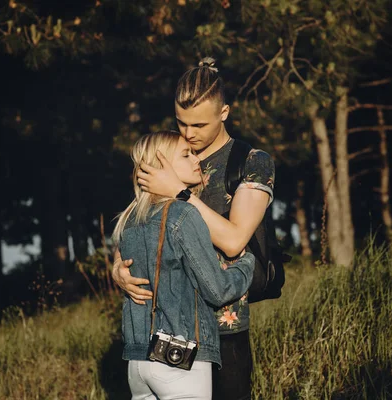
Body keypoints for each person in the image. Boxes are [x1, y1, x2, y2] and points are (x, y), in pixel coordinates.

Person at [113, 58, 275, 400]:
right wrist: (118, 267)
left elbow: (233, 241)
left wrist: (179, 192)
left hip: (224, 328)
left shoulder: (251, 162)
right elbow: (139, 220)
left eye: (199, 124)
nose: (188, 133)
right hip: (164, 330)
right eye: (181, 122)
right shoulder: (169, 153)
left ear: (225, 112)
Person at [114, 130, 255, 400]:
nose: (195, 160)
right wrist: (248, 263)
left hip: (137, 361)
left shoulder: (129, 220)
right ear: (162, 165)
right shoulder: (184, 213)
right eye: (185, 154)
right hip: (178, 357)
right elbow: (218, 290)